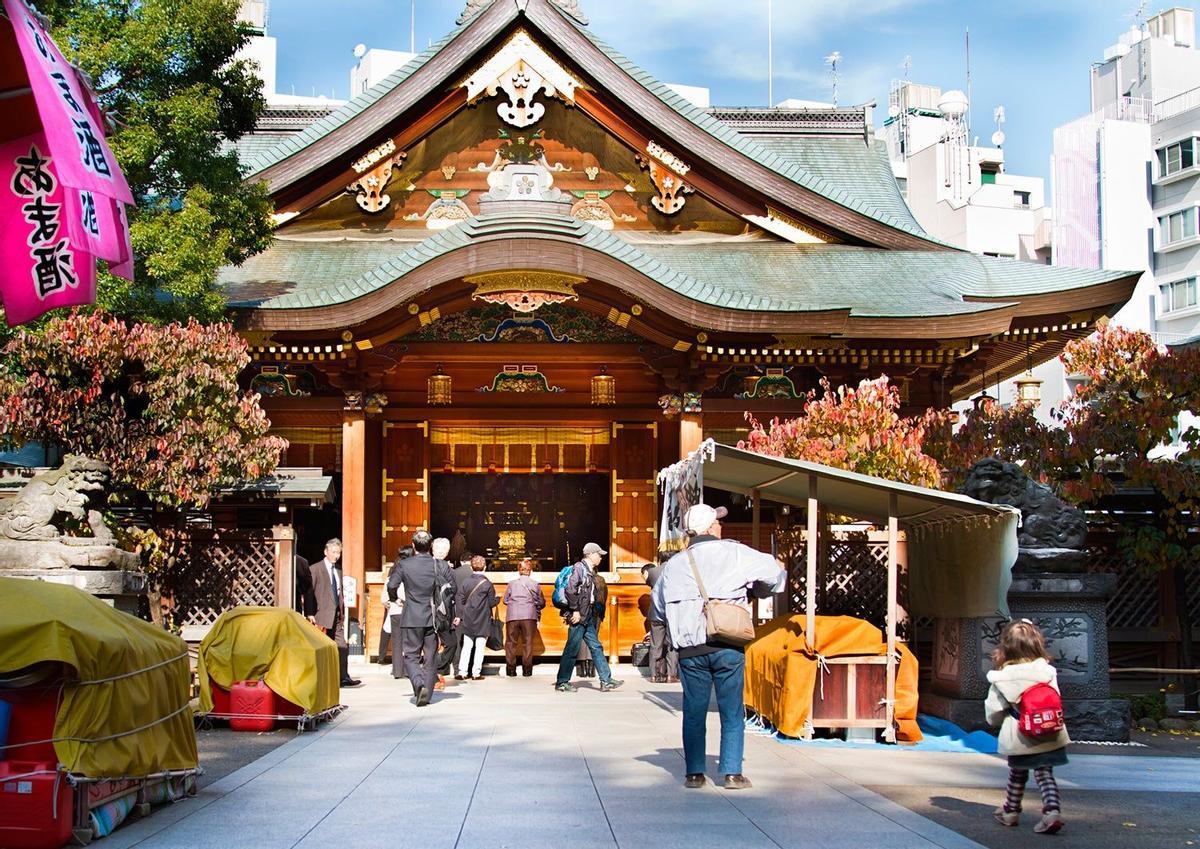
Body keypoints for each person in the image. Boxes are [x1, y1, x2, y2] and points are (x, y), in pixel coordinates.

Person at [652, 504, 785, 790]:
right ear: (713, 527)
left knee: (694, 710)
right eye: (718, 523)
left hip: (690, 648)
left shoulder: (672, 566)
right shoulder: (735, 552)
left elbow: (658, 609)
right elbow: (774, 574)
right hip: (728, 642)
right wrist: (756, 589)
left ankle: (695, 774)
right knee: (731, 709)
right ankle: (732, 772)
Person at [986, 619, 1070, 835]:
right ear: (1037, 644)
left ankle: (1011, 811)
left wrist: (996, 723)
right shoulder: (1047, 672)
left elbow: (994, 711)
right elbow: (1055, 697)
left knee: (1017, 772)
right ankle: (1051, 810)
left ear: (1005, 648)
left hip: (1020, 733)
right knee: (1045, 773)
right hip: (1050, 730)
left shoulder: (1001, 678)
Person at [387, 530, 451, 707]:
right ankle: (427, 694)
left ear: (413, 545)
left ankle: (418, 684)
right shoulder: (439, 565)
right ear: (430, 546)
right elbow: (451, 587)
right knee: (430, 656)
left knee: (411, 655)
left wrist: (395, 598)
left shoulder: (404, 565)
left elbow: (392, 585)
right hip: (432, 616)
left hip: (412, 615)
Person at [555, 542, 623, 693]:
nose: (600, 557)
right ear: (591, 554)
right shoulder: (579, 568)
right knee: (572, 648)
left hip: (586, 616)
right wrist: (575, 610)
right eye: (598, 554)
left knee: (596, 646)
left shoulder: (588, 571)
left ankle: (606, 680)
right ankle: (562, 682)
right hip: (579, 616)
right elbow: (570, 590)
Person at [309, 538, 361, 688]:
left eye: (338, 552)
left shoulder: (338, 570)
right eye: (333, 552)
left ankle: (343, 676)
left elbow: (339, 593)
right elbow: (309, 592)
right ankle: (322, 678)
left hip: (337, 615)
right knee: (322, 648)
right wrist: (310, 612)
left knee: (342, 646)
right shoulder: (315, 569)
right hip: (321, 615)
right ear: (326, 552)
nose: (336, 555)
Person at [455, 555, 498, 680]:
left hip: (468, 618)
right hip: (483, 619)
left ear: (471, 567)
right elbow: (491, 603)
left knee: (467, 646)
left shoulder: (465, 582)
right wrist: (498, 599)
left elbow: (460, 600)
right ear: (484, 567)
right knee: (479, 647)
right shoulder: (487, 584)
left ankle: (462, 672)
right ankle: (476, 673)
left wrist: (461, 614)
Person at [503, 557, 545, 676]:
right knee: (528, 643)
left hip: (512, 616)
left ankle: (511, 670)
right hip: (529, 616)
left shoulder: (511, 584)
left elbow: (505, 600)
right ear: (530, 570)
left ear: (519, 570)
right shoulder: (535, 584)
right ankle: (527, 670)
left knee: (511, 643)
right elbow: (541, 602)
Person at [641, 559, 678, 683]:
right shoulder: (677, 570)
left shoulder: (652, 572)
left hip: (656, 612)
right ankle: (670, 675)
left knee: (655, 645)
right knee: (672, 644)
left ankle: (654, 675)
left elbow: (652, 586)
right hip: (671, 612)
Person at [378, 546, 412, 671]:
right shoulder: (412, 573)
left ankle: (397, 670)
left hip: (395, 611)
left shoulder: (392, 575)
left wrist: (393, 601)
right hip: (408, 610)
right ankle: (409, 669)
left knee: (397, 642)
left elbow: (384, 597)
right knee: (408, 641)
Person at [431, 537, 454, 691]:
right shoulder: (445, 567)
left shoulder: (425, 564)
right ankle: (437, 671)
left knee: (431, 644)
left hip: (426, 610)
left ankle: (434, 673)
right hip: (440, 611)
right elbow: (454, 588)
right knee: (450, 642)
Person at [448, 552, 474, 680]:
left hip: (457, 610)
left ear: (461, 561)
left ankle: (457, 669)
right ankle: (469, 669)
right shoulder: (476, 574)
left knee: (457, 641)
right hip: (473, 612)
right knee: (471, 641)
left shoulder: (454, 573)